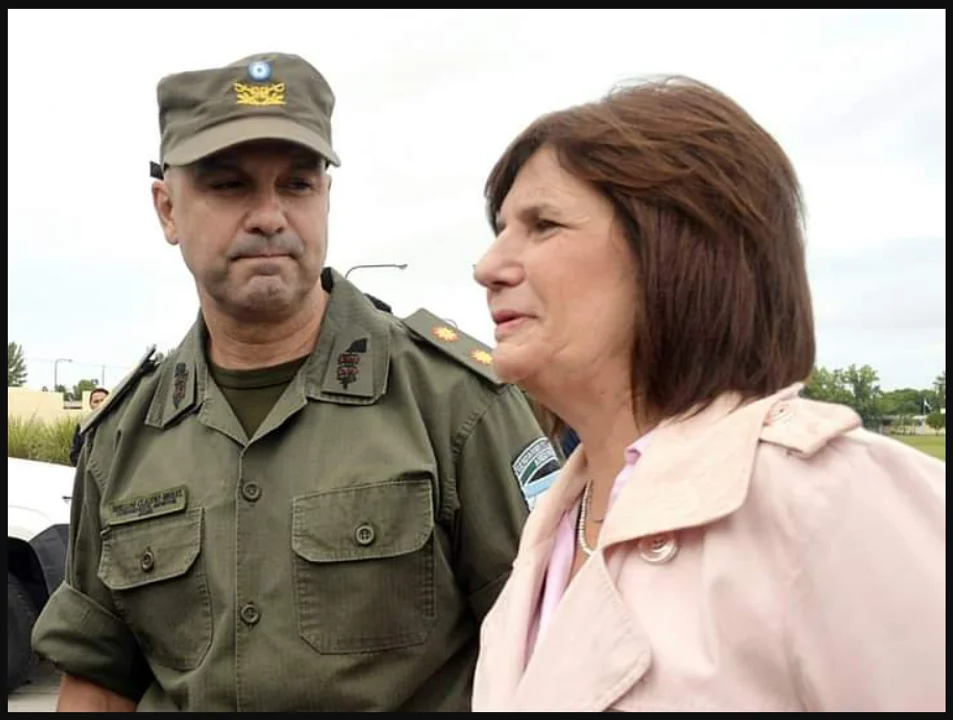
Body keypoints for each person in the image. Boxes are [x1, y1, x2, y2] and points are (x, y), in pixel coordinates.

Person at [30, 52, 558, 712]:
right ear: (167, 209)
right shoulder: (121, 441)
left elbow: (550, 651)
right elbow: (98, 676)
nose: (269, 215)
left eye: (298, 184)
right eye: (229, 185)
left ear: (326, 196)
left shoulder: (458, 404)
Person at [470, 76, 945, 712]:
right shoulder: (555, 526)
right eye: (502, 228)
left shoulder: (827, 497)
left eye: (544, 224)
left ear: (678, 250)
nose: (487, 267)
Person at [68, 387, 110, 466]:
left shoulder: (118, 424)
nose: (100, 404)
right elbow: (74, 455)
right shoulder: (83, 427)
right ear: (90, 405)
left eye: (103, 400)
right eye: (96, 401)